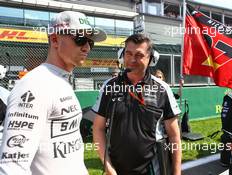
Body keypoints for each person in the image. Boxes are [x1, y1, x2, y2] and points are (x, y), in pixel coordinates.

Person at [0, 11, 106, 175]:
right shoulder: (33, 85)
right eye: (80, 39)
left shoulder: (61, 79)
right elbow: (12, 166)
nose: (86, 47)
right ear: (55, 39)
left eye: (90, 42)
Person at [92, 34, 182, 175]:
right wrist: (108, 168)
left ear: (151, 59)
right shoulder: (108, 86)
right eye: (128, 53)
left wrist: (176, 173)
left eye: (139, 55)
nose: (132, 59)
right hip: (116, 170)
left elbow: (174, 136)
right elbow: (98, 129)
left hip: (154, 169)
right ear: (122, 55)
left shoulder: (162, 88)